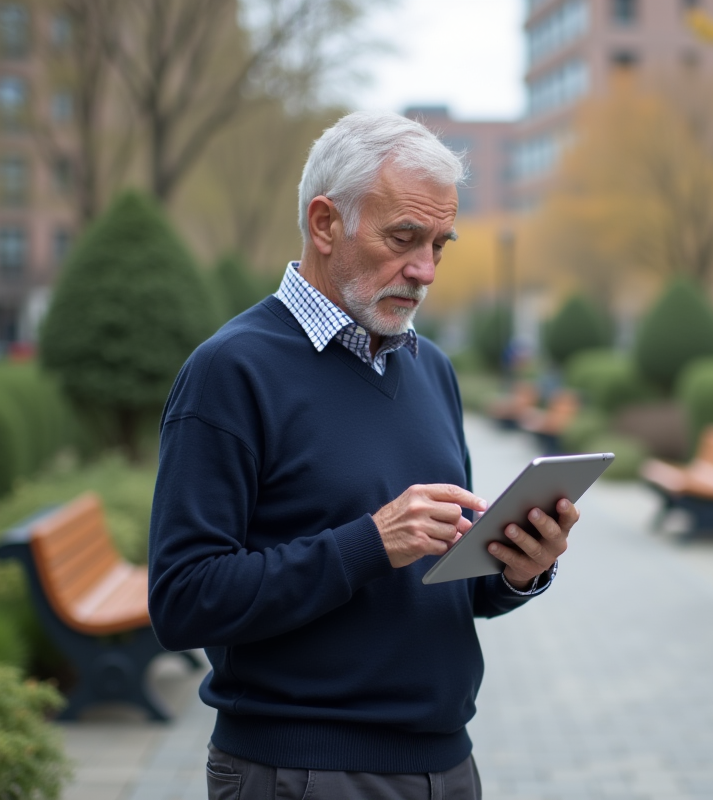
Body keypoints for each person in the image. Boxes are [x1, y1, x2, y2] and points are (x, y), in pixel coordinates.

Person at [147, 111, 581, 800]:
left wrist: (516, 571)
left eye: (441, 244)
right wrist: (369, 543)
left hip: (447, 765)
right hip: (303, 770)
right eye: (404, 238)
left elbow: (444, 585)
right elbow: (182, 601)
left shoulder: (430, 368)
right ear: (325, 224)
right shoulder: (231, 372)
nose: (426, 269)